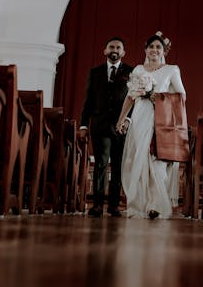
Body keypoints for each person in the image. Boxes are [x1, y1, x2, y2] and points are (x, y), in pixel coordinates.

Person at [116, 33, 186, 219]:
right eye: (151, 47)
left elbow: (181, 96)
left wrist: (159, 97)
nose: (154, 50)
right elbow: (130, 97)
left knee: (156, 159)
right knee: (139, 158)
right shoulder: (139, 69)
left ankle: (155, 204)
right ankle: (139, 203)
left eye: (158, 47)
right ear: (145, 50)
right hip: (140, 117)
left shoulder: (172, 70)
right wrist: (121, 118)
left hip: (161, 118)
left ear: (163, 51)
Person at [79, 37, 133, 217]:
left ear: (123, 52)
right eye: (111, 46)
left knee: (118, 165)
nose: (115, 49)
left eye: (118, 47)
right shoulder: (95, 72)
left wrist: (127, 120)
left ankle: (114, 205)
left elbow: (135, 101)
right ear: (105, 50)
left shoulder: (131, 72)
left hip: (121, 127)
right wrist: (83, 125)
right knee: (101, 164)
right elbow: (88, 101)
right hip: (100, 125)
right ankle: (97, 205)